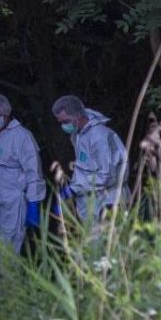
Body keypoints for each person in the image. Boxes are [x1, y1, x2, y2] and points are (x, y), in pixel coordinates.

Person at [0, 94, 46, 252]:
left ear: (7, 115)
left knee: (7, 254)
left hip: (10, 205)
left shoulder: (22, 137)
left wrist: (34, 202)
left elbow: (34, 173)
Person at [51, 95, 128, 225]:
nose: (64, 126)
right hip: (92, 203)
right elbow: (85, 167)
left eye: (66, 121)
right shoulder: (78, 135)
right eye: (61, 122)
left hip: (108, 202)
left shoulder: (99, 137)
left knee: (109, 243)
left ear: (78, 115)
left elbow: (107, 175)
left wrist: (74, 188)